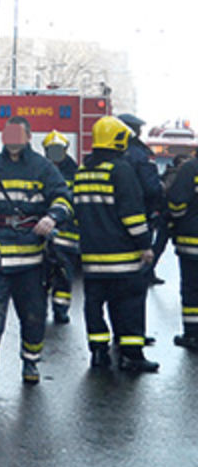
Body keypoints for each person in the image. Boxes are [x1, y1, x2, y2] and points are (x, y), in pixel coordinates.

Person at [0, 116, 72, 387]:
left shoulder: (43, 168)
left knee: (33, 314)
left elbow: (64, 198)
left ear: (27, 137)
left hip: (30, 259)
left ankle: (30, 361)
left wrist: (53, 217)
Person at [73, 116, 158, 372]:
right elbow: (132, 214)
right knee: (129, 305)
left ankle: (99, 353)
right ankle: (132, 355)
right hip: (122, 257)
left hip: (91, 258)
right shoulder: (121, 170)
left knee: (94, 306)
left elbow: (79, 213)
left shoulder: (83, 171)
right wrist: (145, 245)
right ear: (119, 139)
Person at [118, 113, 166, 285]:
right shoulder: (138, 154)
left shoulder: (114, 152)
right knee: (141, 246)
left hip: (115, 213)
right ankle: (143, 276)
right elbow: (150, 186)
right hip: (140, 209)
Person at [41, 130, 80, 324]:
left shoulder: (75, 172)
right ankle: (39, 309)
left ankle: (60, 308)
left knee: (64, 274)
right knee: (41, 275)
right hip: (42, 232)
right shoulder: (39, 169)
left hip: (67, 232)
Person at [167, 154, 198, 350]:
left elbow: (176, 203)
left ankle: (193, 335)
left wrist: (179, 220)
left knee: (192, 289)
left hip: (192, 241)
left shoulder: (190, 169)